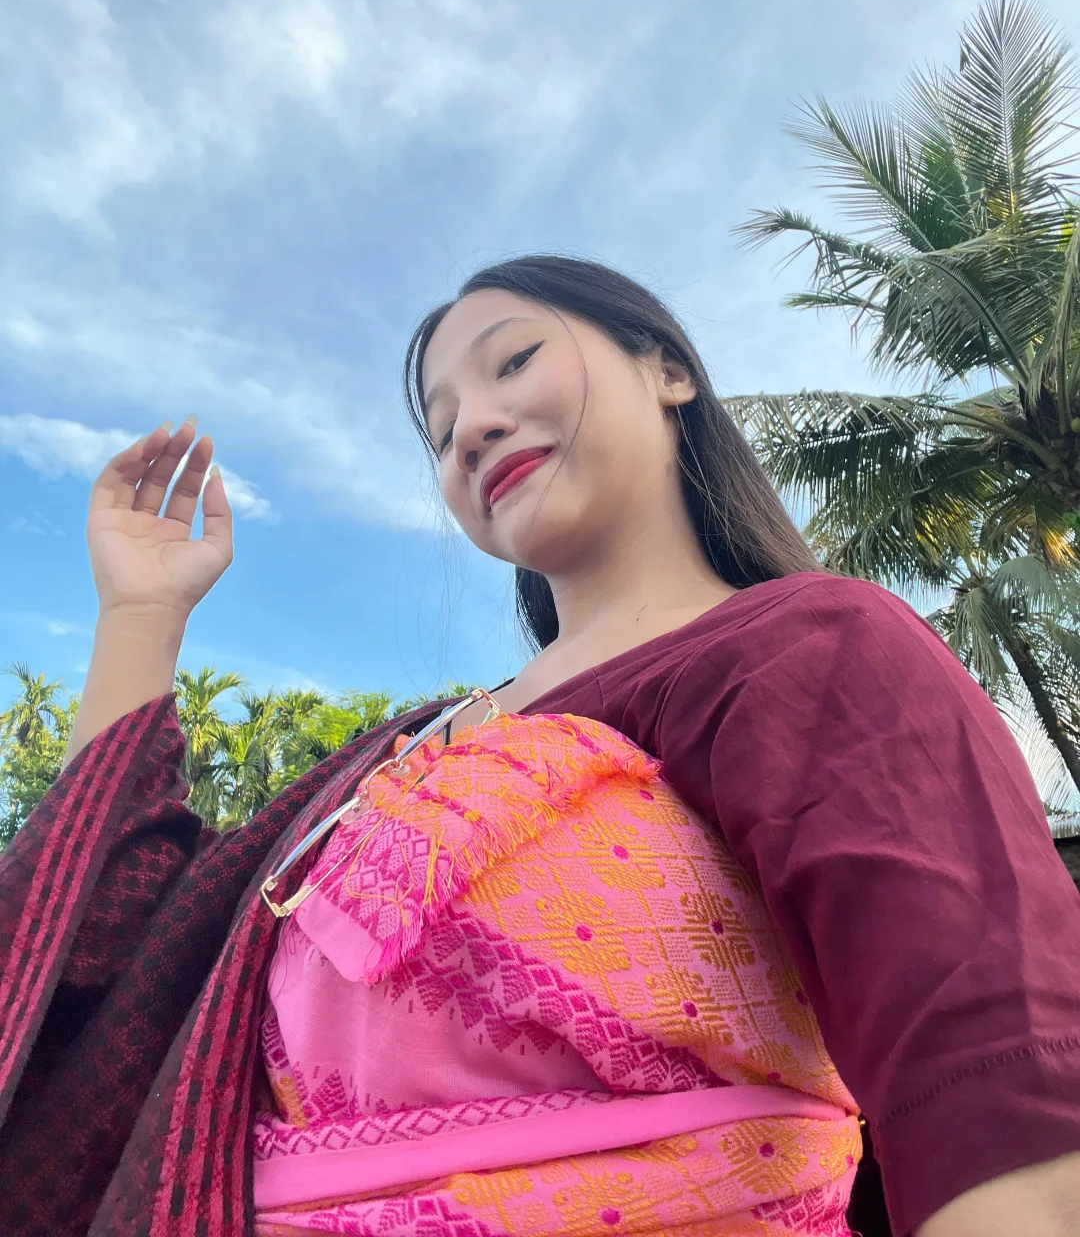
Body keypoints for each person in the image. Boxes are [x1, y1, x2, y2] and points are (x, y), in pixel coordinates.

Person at [1, 256, 1078, 1237]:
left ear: (668, 371)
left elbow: (994, 1088)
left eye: (513, 361)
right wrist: (140, 616)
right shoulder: (409, 757)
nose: (472, 428)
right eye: (440, 432)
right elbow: (120, 947)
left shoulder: (813, 647)